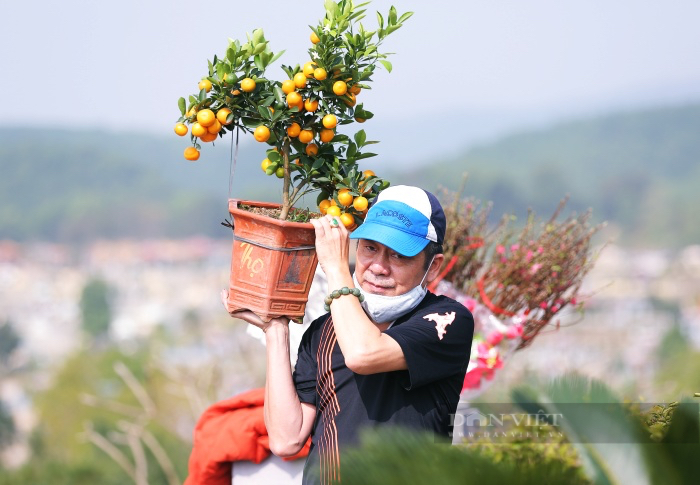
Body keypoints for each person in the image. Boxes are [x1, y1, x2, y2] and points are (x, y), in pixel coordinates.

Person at [232, 185, 474, 485]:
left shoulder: (445, 319)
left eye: (398, 256)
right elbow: (286, 439)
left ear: (433, 267)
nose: (378, 268)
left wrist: (335, 268)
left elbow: (363, 354)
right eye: (369, 248)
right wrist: (276, 331)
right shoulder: (323, 330)